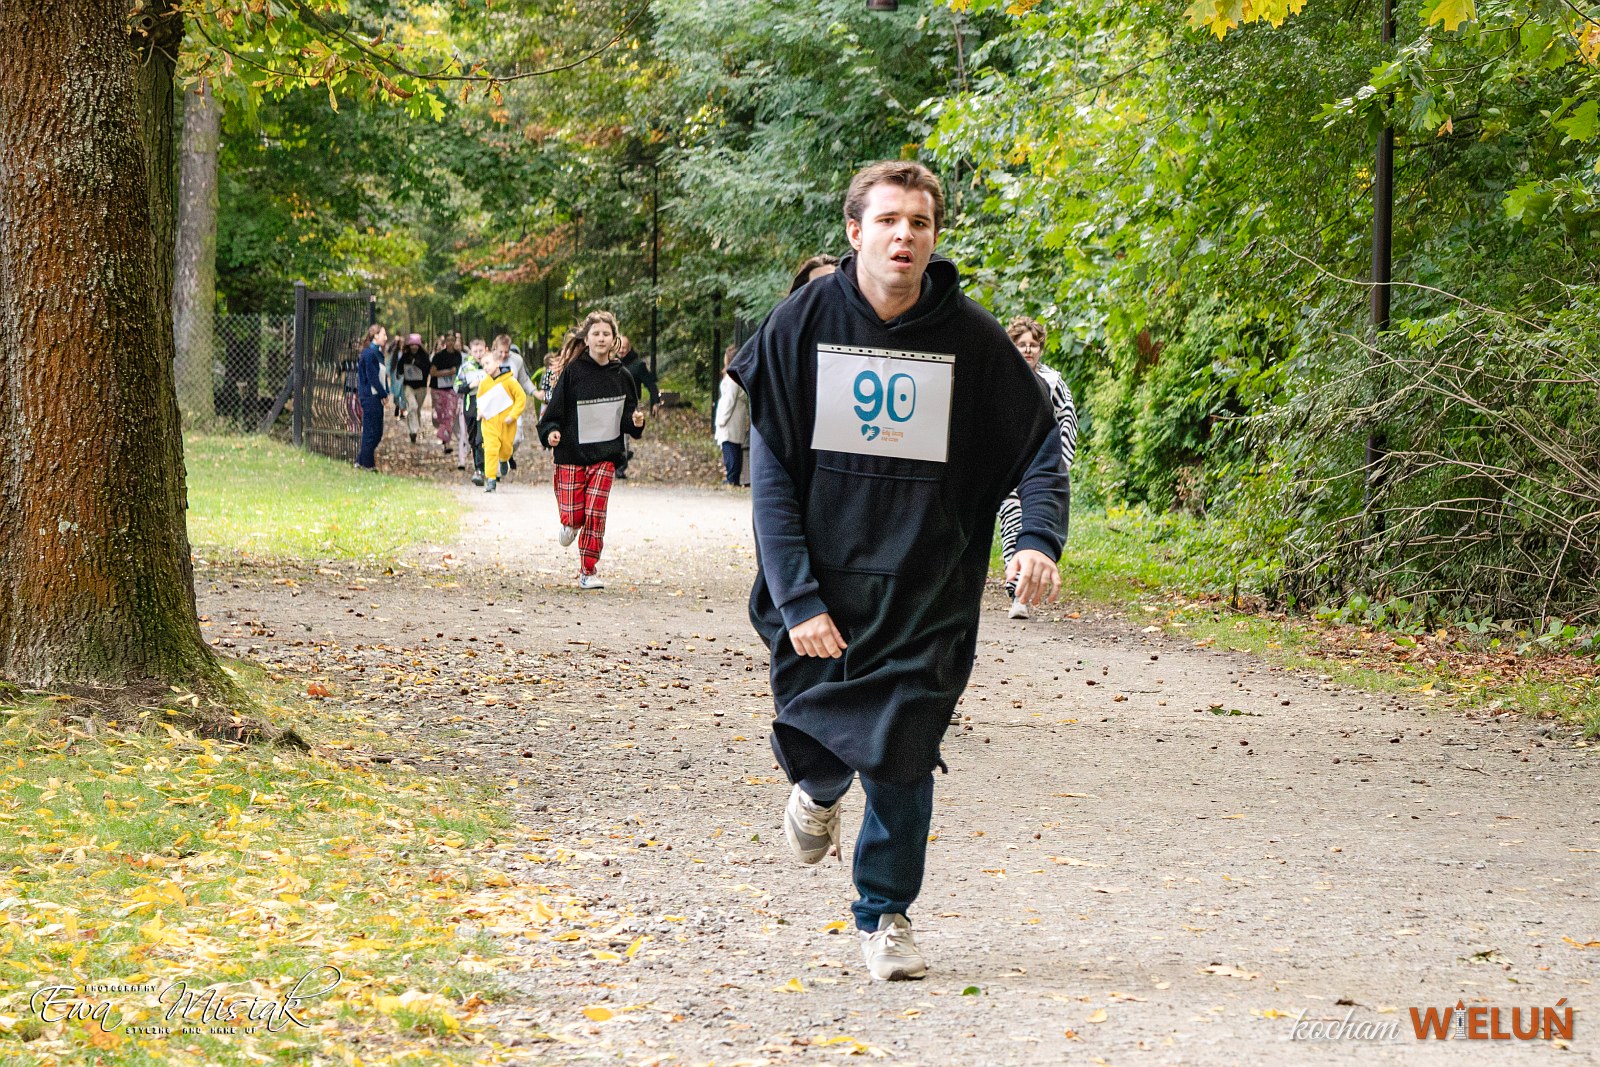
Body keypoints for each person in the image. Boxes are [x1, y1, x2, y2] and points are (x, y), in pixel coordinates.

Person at [728, 161, 1068, 982]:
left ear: (935, 235)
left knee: (904, 752)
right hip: (825, 589)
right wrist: (796, 595)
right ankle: (817, 786)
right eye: (887, 220)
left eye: (919, 222)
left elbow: (1038, 445)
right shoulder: (803, 324)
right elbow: (772, 482)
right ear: (855, 231)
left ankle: (884, 913)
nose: (903, 236)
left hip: (927, 591)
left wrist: (1038, 539)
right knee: (822, 739)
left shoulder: (973, 340)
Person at [537, 311, 646, 589]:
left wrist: (636, 422)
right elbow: (553, 412)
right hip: (571, 454)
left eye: (606, 334)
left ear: (614, 339)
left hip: (605, 456)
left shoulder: (622, 376)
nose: (601, 338)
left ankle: (588, 570)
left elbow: (628, 417)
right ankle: (569, 524)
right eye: (595, 333)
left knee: (596, 513)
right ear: (586, 339)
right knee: (575, 516)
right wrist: (551, 432)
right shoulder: (573, 372)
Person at [998, 315, 1078, 620]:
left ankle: (1021, 591)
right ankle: (1016, 590)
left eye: (1033, 345)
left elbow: (1067, 423)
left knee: (1032, 524)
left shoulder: (1053, 383)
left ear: (1040, 348)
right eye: (1021, 344)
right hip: (1008, 469)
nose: (1028, 350)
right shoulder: (1001, 380)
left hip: (1040, 470)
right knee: (1012, 522)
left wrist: (1060, 466)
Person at [477, 341, 527, 493]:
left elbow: (521, 398)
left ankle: (504, 459)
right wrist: (480, 411)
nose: (486, 367)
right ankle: (491, 479)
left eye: (488, 363)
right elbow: (480, 400)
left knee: (505, 448)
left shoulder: (510, 381)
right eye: (483, 365)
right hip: (489, 423)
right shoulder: (484, 383)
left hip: (507, 423)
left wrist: (513, 415)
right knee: (490, 449)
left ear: (497, 362)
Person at [713, 343, 750, 486]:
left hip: (730, 419)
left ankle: (732, 478)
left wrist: (722, 419)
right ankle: (733, 477)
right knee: (735, 447)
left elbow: (729, 400)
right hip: (736, 417)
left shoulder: (731, 378)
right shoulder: (738, 376)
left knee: (730, 447)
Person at [355, 323, 390, 470]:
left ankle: (361, 460)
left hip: (377, 397)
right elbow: (372, 377)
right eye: (383, 334)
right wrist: (383, 393)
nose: (386, 338)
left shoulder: (378, 354)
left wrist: (385, 391)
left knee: (377, 432)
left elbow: (382, 376)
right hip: (370, 397)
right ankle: (367, 464)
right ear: (375, 335)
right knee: (371, 432)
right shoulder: (369, 354)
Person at [456, 339, 488, 483]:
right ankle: (478, 468)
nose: (478, 354)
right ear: (471, 352)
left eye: (481, 351)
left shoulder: (490, 365)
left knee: (482, 438)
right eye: (475, 351)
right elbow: (457, 387)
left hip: (487, 406)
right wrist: (470, 385)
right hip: (471, 406)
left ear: (486, 349)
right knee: (474, 439)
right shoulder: (466, 366)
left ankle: (482, 469)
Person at [430, 335, 463, 454]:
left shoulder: (458, 355)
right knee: (440, 415)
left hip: (451, 389)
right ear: (445, 342)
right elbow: (432, 372)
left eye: (452, 340)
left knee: (450, 414)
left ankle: (446, 440)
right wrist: (448, 372)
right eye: (448, 340)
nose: (450, 343)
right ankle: (443, 433)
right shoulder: (438, 356)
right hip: (438, 389)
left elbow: (459, 371)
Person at [397, 333, 431, 443]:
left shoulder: (424, 356)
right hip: (408, 386)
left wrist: (418, 365)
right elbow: (399, 369)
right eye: (412, 345)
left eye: (416, 345)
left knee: (417, 409)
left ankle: (416, 428)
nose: (414, 347)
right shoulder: (405, 356)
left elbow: (428, 369)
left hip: (421, 387)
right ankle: (413, 431)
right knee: (412, 407)